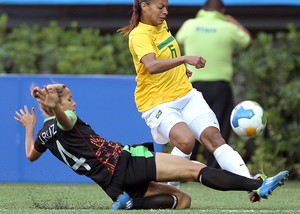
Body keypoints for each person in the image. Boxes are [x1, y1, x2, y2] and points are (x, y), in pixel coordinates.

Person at [14, 83, 288, 210]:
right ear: (59, 105)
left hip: (113, 187)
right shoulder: (66, 118)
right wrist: (56, 110)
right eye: (70, 99)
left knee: (183, 201)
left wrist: (30, 126)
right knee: (196, 170)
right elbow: (66, 120)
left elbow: (30, 156)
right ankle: (256, 185)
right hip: (125, 163)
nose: (74, 104)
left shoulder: (43, 133)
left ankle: (133, 204)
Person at [118, 0, 261, 202]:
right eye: (161, 7)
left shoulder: (161, 25)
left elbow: (167, 52)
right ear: (144, 6)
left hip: (186, 93)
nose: (165, 11)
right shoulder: (139, 35)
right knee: (185, 141)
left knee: (215, 138)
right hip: (157, 102)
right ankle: (168, 188)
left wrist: (179, 69)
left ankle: (252, 185)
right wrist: (185, 59)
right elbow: (152, 65)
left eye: (167, 7)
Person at [176, 0, 252, 167]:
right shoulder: (228, 27)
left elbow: (178, 40)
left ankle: (185, 168)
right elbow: (248, 41)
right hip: (220, 86)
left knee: (190, 126)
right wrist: (234, 22)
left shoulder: (190, 24)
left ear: (203, 9)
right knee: (218, 128)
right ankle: (215, 170)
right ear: (222, 11)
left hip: (192, 86)